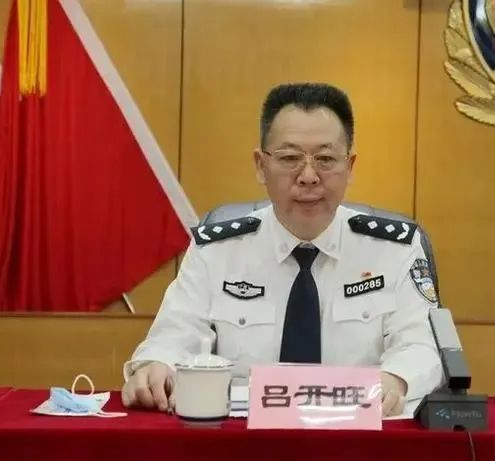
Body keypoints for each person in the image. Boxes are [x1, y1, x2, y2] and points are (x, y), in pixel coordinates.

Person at [121, 83, 443, 417]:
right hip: (242, 438)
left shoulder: (395, 250)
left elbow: (421, 345)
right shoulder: (216, 251)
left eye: (326, 159)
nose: (308, 176)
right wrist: (157, 365)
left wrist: (396, 380)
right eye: (290, 158)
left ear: (349, 167)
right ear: (261, 166)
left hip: (357, 433)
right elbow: (175, 336)